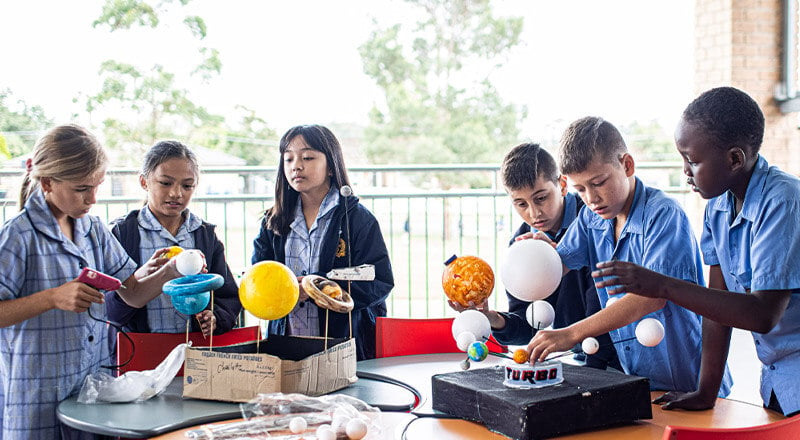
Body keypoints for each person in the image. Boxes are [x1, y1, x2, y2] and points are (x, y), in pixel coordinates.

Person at [594, 87, 800, 416]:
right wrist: (705, 392)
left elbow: (762, 314)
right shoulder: (718, 206)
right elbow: (717, 306)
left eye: (692, 160)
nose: (685, 171)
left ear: (735, 159)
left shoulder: (783, 200)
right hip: (778, 381)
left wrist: (662, 285)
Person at [526, 116, 733, 397]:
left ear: (626, 165)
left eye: (598, 182)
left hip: (690, 384)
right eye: (580, 190)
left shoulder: (664, 215)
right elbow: (559, 262)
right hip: (639, 382)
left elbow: (652, 297)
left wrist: (571, 333)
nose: (591, 198)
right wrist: (537, 255)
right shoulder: (591, 219)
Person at [0, 125, 180, 439]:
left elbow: (133, 294)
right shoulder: (17, 236)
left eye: (97, 186)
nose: (93, 199)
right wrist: (52, 298)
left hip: (90, 393)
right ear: (47, 183)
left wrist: (173, 271)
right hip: (35, 395)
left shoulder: (93, 229)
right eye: (82, 188)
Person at [448, 142, 620, 370]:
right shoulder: (522, 243)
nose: (534, 213)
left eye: (541, 198)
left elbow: (604, 305)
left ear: (562, 184)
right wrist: (491, 318)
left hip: (616, 359)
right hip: (578, 359)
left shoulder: (594, 218)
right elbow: (529, 325)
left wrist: (558, 257)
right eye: (521, 204)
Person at [251, 124, 393, 360]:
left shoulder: (357, 220)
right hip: (286, 343)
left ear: (331, 166)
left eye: (307, 157)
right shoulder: (272, 221)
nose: (296, 165)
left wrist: (317, 288)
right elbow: (259, 278)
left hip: (344, 345)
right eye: (288, 159)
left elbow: (379, 280)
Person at [107, 140, 242, 336]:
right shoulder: (124, 234)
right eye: (165, 183)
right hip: (140, 353)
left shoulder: (204, 234)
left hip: (195, 351)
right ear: (144, 181)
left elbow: (227, 295)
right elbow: (110, 311)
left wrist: (215, 318)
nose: (176, 193)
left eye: (187, 186)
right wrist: (138, 280)